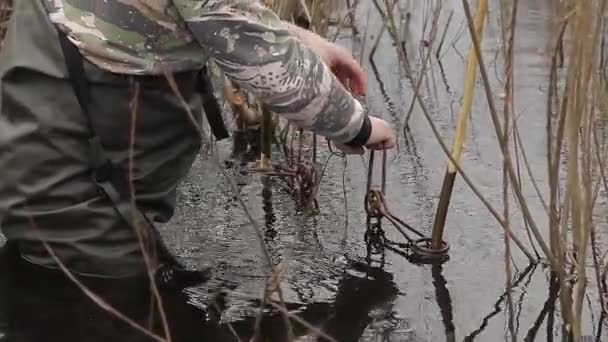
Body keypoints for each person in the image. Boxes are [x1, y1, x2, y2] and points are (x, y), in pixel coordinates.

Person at [0, 0, 396, 282]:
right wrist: (356, 126)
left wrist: (301, 39)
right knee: (115, 294)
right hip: (71, 201)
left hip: (48, 137)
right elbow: (264, 59)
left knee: (40, 268)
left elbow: (195, 12)